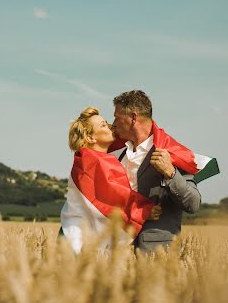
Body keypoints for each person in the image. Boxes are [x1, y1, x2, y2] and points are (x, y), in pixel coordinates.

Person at [111, 89, 218, 252]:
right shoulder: (120, 155)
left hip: (156, 253)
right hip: (119, 251)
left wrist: (171, 173)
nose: (114, 123)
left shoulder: (172, 153)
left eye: (117, 117)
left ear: (133, 117)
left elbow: (193, 204)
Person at [60, 107, 162, 254]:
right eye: (103, 125)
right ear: (90, 138)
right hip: (76, 241)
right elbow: (111, 195)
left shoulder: (97, 158)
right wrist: (143, 210)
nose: (110, 126)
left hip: (81, 237)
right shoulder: (89, 161)